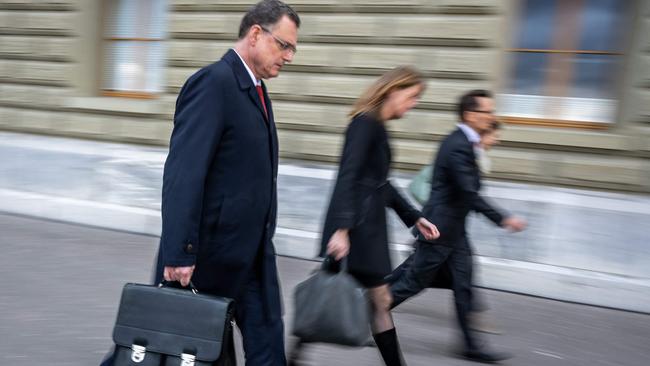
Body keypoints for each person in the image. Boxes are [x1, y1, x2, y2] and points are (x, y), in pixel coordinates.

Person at [155, 1, 300, 365]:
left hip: (254, 254)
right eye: (284, 45)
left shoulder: (257, 91)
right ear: (255, 34)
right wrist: (179, 251)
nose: (290, 56)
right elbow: (183, 172)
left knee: (268, 351)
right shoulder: (213, 83)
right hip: (209, 256)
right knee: (192, 351)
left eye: (293, 48)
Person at [291, 67, 440, 366]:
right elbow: (349, 176)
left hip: (365, 228)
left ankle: (294, 356)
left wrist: (414, 217)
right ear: (393, 90)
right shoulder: (364, 124)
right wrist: (342, 229)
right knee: (373, 300)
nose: (413, 105)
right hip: (357, 230)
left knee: (367, 299)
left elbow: (381, 183)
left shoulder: (377, 126)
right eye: (412, 97)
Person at [389, 90, 527, 363]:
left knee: (463, 286)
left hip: (454, 232)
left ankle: (470, 345)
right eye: (487, 112)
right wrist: (503, 218)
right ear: (470, 115)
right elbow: (468, 194)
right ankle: (366, 313)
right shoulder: (458, 145)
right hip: (439, 230)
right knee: (411, 282)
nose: (492, 117)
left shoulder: (466, 143)